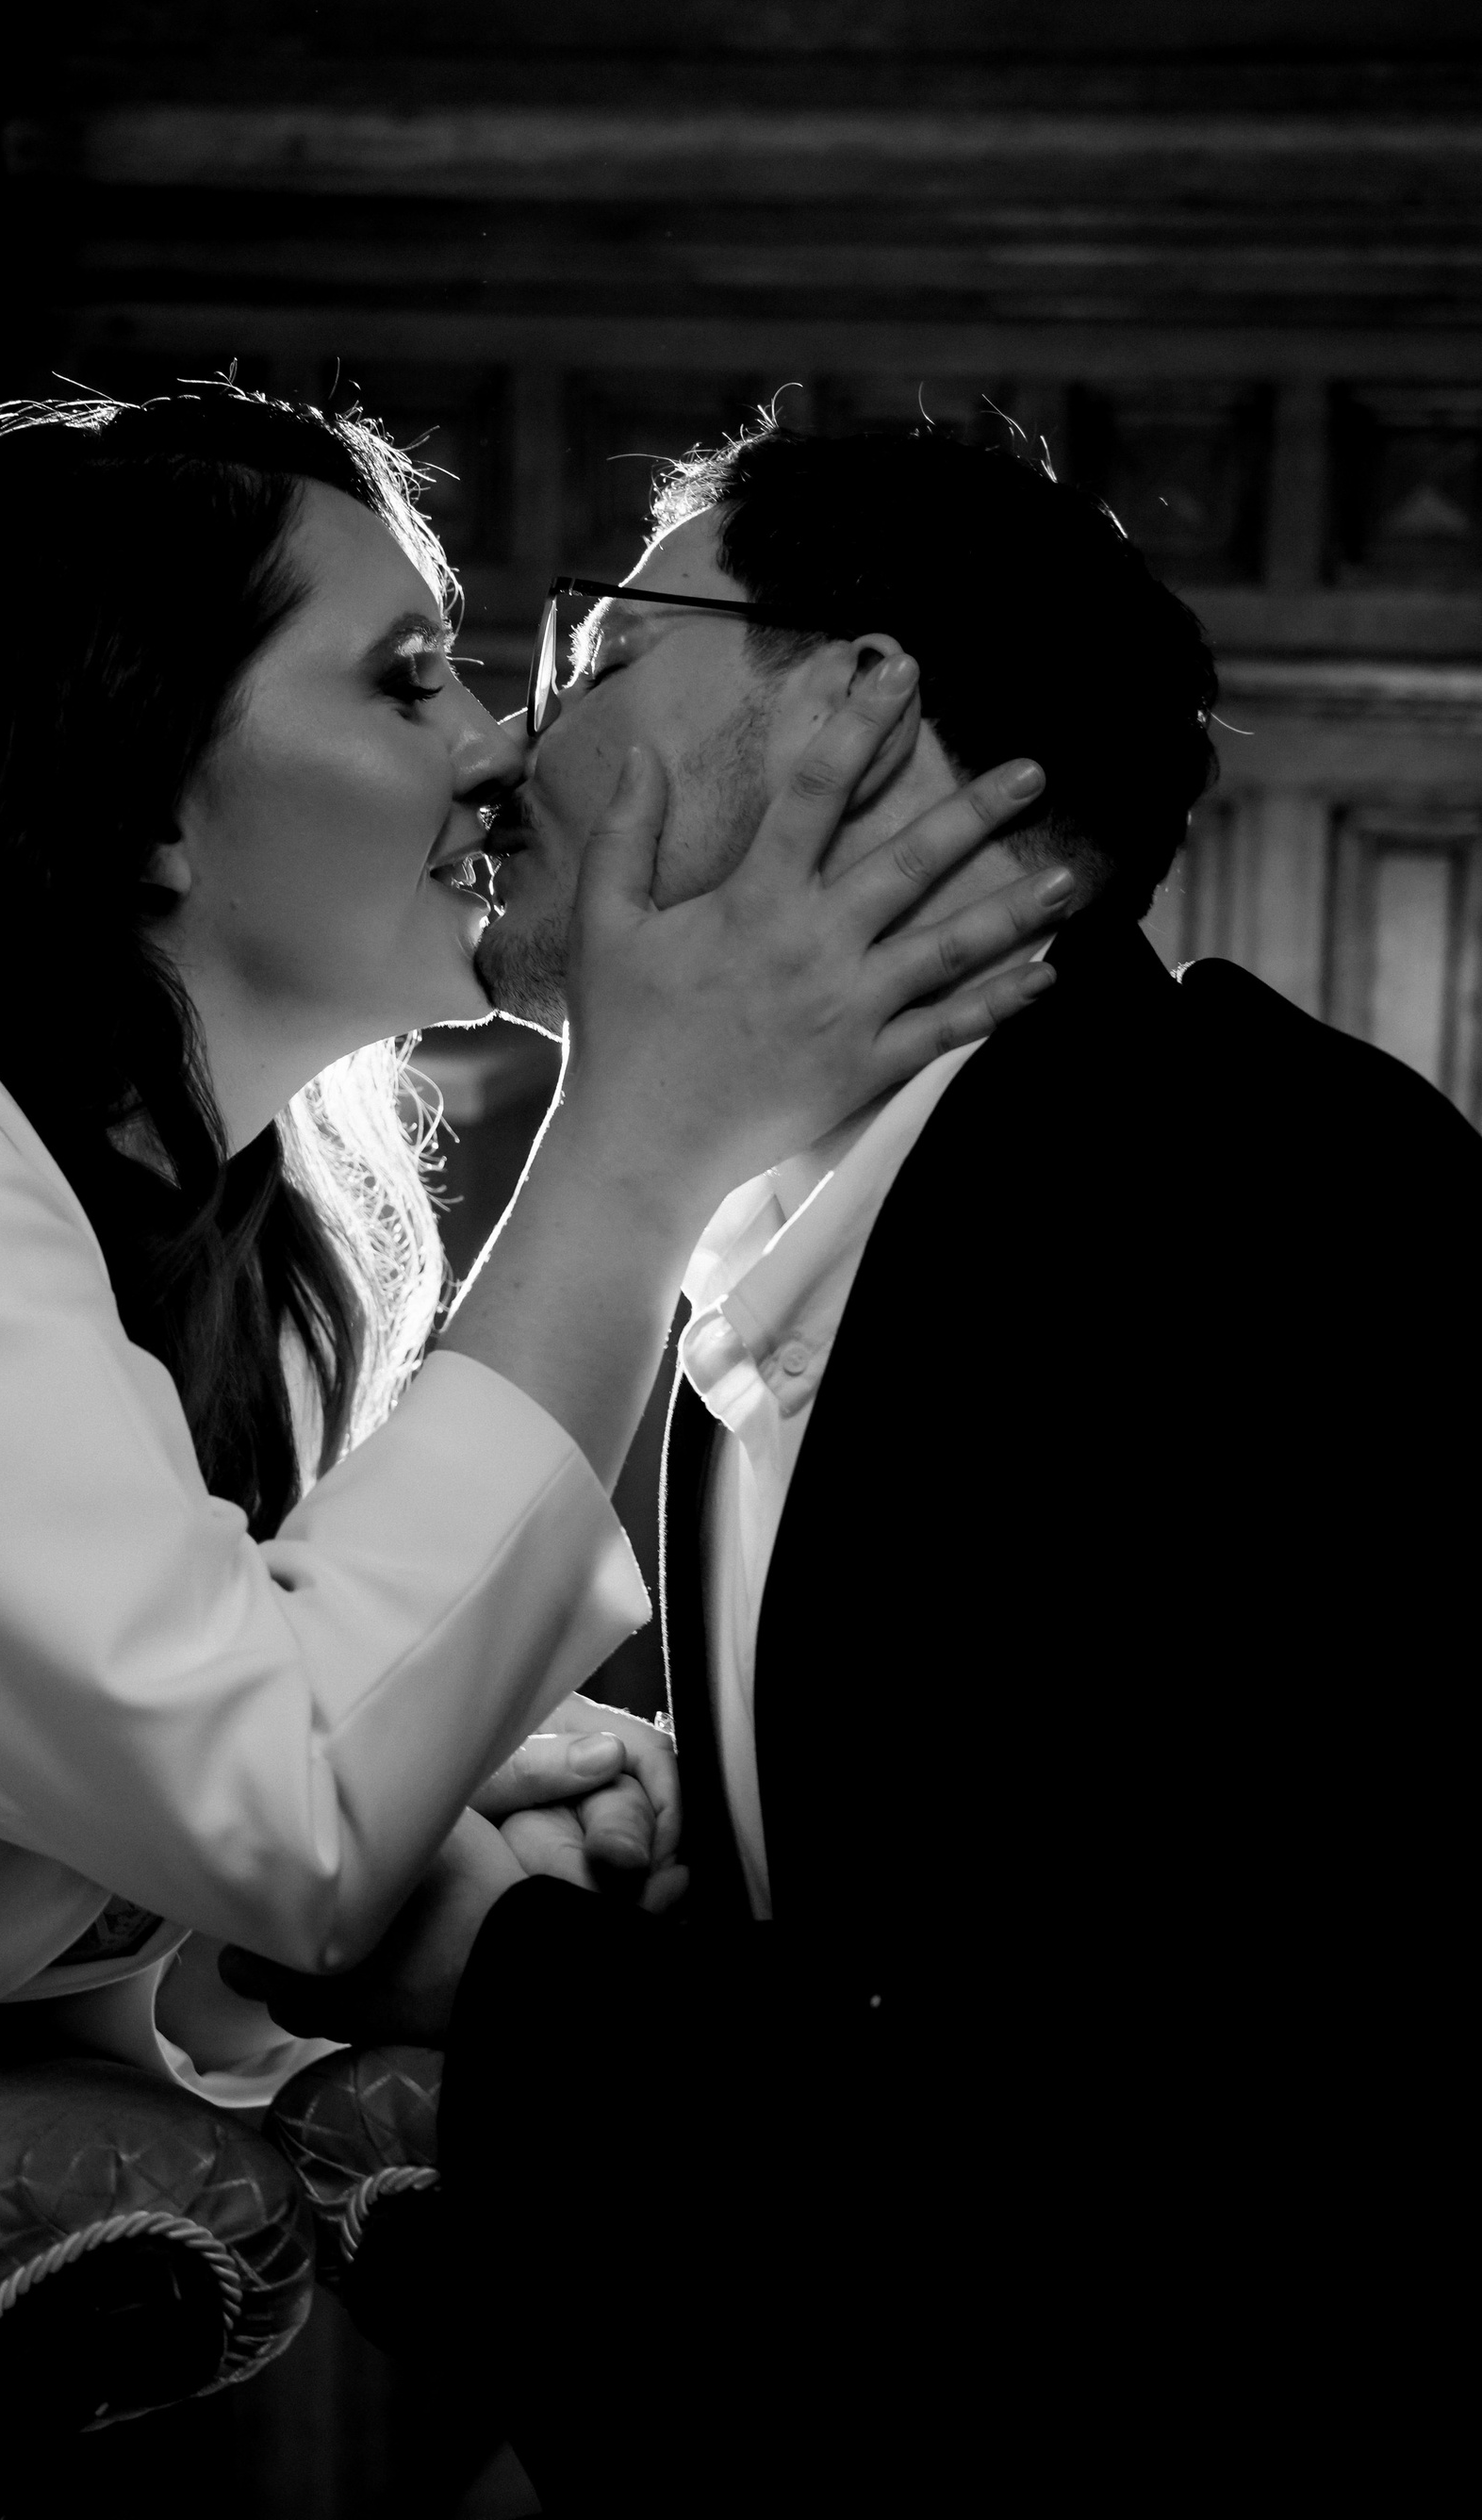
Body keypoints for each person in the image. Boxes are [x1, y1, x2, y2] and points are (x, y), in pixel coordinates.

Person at [0, 388, 1062, 2462]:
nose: (500, 746)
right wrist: (646, 1137)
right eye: (407, 678)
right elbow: (281, 1814)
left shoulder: (268, 1248)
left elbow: (138, 1798)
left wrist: (467, 1776)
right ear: (134, 778)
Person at [237, 421, 1479, 2510]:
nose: (511, 744)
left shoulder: (1275, 1212)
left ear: (858, 707)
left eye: (601, 652)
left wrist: (500, 1968)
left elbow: (1182, 2136)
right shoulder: (805, 1219)